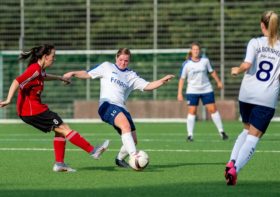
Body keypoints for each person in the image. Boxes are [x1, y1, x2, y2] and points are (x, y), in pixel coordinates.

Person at [0, 44, 109, 172]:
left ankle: (60, 164)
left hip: (33, 110)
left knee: (60, 130)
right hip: (32, 111)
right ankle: (93, 151)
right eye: (53, 56)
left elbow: (44, 76)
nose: (54, 59)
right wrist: (8, 100)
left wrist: (59, 78)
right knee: (64, 128)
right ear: (45, 57)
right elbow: (16, 81)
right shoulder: (34, 70)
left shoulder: (38, 70)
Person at [63, 48, 174, 168]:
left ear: (129, 61)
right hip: (107, 105)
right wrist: (72, 73)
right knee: (125, 126)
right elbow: (87, 74)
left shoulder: (131, 75)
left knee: (133, 140)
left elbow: (148, 85)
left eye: (126, 61)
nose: (122, 62)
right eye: (120, 59)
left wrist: (162, 81)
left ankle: (119, 159)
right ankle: (134, 156)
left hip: (122, 108)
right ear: (116, 57)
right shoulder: (106, 67)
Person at [224, 10, 280, 186]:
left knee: (246, 129)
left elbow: (247, 64)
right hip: (266, 97)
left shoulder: (254, 42)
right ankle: (235, 170)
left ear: (262, 25)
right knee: (254, 137)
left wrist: (237, 70)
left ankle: (232, 160)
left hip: (246, 95)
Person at [177, 42, 229, 142]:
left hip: (206, 89)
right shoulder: (186, 64)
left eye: (197, 49)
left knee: (213, 109)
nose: (196, 51)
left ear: (199, 51)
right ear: (191, 51)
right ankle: (190, 135)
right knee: (192, 111)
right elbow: (182, 79)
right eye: (194, 49)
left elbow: (212, 71)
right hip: (192, 91)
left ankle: (221, 132)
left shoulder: (205, 61)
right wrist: (179, 93)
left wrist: (218, 82)